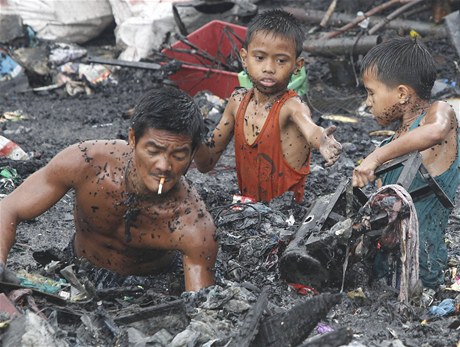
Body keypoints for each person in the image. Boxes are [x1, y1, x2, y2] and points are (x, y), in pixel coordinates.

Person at [0, 86, 218, 292]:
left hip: (151, 286)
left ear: (191, 155)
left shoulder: (193, 226)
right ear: (133, 139)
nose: (163, 166)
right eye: (153, 150)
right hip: (77, 266)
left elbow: (201, 306)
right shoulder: (87, 162)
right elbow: (9, 208)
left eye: (178, 155)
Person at [194, 8, 342, 203]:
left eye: (281, 60)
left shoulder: (291, 106)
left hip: (284, 218)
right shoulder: (237, 102)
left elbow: (309, 126)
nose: (269, 68)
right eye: (260, 58)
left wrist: (322, 140)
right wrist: (190, 136)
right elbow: (206, 163)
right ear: (244, 58)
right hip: (248, 211)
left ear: (297, 66)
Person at [352, 37, 459, 289]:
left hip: (419, 271)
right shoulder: (395, 139)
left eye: (371, 93)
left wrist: (376, 157)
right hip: (386, 267)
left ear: (401, 94)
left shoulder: (438, 114)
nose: (368, 103)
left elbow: (435, 131)